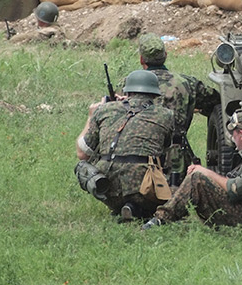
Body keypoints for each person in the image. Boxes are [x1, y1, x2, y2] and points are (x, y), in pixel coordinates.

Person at [141, 109, 242, 230]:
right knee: (195, 180)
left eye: (233, 133)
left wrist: (204, 172)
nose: (232, 137)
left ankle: (161, 219)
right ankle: (156, 212)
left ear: (241, 134)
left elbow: (237, 189)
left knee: (197, 179)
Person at [74, 70, 174, 219]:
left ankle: (120, 206)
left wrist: (91, 116)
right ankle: (137, 208)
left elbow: (82, 153)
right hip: (145, 189)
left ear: (127, 91)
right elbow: (166, 152)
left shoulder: (104, 110)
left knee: (81, 166)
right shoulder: (165, 115)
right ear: (154, 94)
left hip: (105, 187)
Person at [136, 33, 220, 180]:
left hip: (136, 157)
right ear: (166, 56)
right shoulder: (187, 83)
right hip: (176, 163)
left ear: (142, 59)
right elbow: (216, 100)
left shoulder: (127, 85)